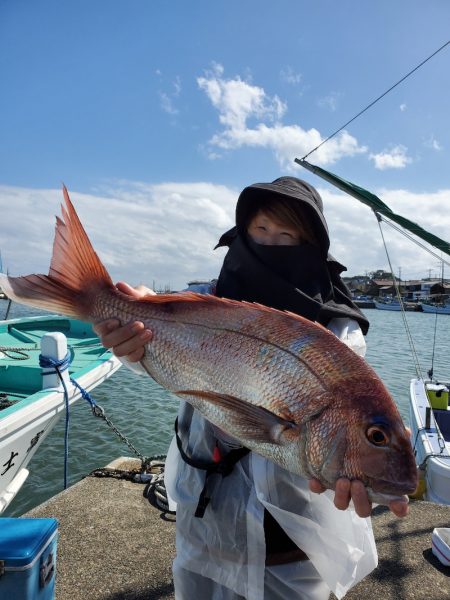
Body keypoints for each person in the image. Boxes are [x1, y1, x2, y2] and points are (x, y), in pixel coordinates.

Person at [94, 177, 409, 600]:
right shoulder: (207, 301)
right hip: (207, 518)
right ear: (242, 234)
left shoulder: (338, 331)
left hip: (297, 538)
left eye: (288, 236)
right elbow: (165, 349)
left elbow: (349, 410)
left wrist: (371, 453)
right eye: (260, 231)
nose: (271, 244)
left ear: (313, 247)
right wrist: (133, 334)